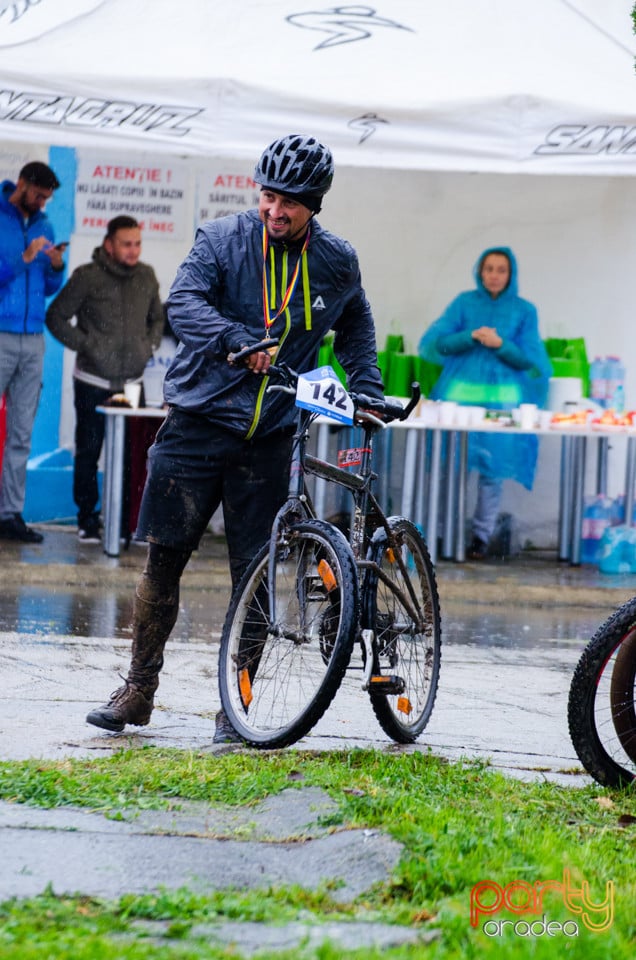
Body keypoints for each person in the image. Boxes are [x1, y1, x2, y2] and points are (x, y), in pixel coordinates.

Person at [85, 133, 384, 740]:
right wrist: (232, 339)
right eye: (268, 196)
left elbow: (354, 319)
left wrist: (367, 383)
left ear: (314, 205)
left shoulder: (335, 260)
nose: (276, 210)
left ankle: (237, 705)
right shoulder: (221, 240)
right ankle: (138, 689)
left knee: (254, 573)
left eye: (290, 203)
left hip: (271, 435)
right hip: (195, 424)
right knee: (163, 560)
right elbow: (183, 302)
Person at [418, 246, 552, 559]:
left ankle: (481, 536)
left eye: (501, 269)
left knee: (492, 472)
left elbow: (530, 362)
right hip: (457, 403)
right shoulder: (464, 303)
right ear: (480, 271)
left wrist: (500, 344)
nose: (494, 275)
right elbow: (437, 344)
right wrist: (470, 336)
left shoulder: (524, 310)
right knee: (452, 468)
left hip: (502, 406)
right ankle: (440, 535)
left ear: (511, 274)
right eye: (489, 268)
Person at [46, 216, 164, 543]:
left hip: (132, 382)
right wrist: (87, 345)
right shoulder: (87, 276)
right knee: (89, 450)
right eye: (126, 244)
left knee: (131, 457)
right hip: (92, 381)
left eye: (137, 243)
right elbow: (55, 316)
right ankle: (87, 520)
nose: (133, 250)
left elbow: (158, 318)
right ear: (109, 244)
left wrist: (149, 344)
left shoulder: (147, 275)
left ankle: (126, 525)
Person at [0, 160, 66, 544]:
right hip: (1, 333)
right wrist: (22, 259)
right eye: (38, 195)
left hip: (32, 337)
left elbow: (50, 284)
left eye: (47, 198)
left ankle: (9, 515)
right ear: (22, 184)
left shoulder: (44, 224)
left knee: (21, 433)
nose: (42, 204)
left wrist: (56, 265)